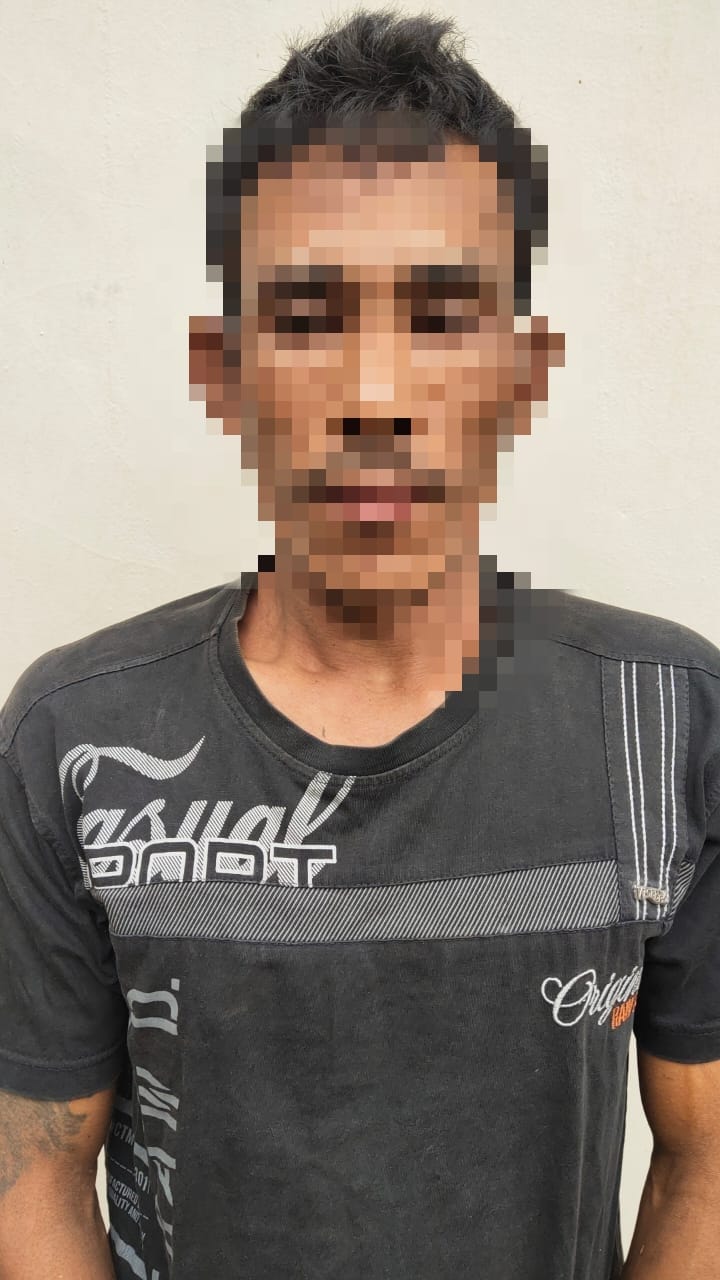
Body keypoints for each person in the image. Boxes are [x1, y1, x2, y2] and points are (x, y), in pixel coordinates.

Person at [0, 9, 718, 1279]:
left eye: (442, 316)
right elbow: (34, 1179)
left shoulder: (666, 723)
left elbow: (706, 1161)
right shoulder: (76, 738)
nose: (376, 394)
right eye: (308, 314)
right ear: (222, 371)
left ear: (523, 372)